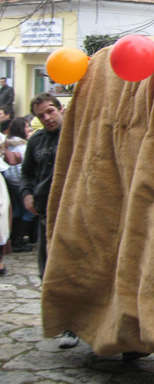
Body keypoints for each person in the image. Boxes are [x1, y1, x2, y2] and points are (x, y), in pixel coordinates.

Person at [19, 93, 78, 349]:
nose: (47, 118)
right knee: (48, 272)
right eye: (41, 115)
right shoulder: (37, 141)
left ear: (60, 109)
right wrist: (27, 194)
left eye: (50, 111)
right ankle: (64, 324)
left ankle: (76, 325)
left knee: (74, 271)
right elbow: (27, 173)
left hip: (73, 214)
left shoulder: (77, 135)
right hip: (45, 214)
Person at [4, 117, 36, 252]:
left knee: (16, 210)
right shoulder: (23, 146)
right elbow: (22, 169)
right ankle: (18, 241)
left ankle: (14, 238)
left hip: (10, 182)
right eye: (26, 126)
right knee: (28, 213)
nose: (29, 129)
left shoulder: (9, 143)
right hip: (19, 183)